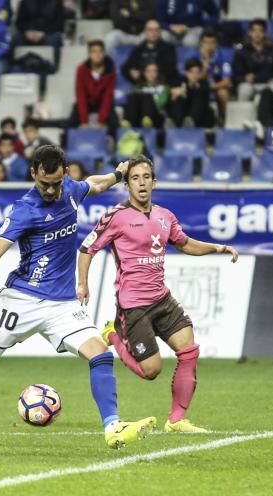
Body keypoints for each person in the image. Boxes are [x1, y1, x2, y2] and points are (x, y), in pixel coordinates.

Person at [0, 146, 156, 449]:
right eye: (44, 183)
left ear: (65, 174)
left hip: (62, 304)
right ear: (33, 173)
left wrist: (116, 175)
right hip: (22, 299)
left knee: (100, 354)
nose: (50, 190)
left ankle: (113, 427)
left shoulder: (70, 190)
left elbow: (94, 184)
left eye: (56, 183)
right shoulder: (25, 209)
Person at [77, 155, 238, 433]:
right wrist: (83, 284)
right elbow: (86, 249)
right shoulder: (116, 217)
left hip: (162, 299)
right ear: (126, 185)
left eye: (146, 177)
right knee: (151, 371)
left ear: (154, 182)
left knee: (189, 351)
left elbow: (185, 244)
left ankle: (177, 420)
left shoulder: (165, 216)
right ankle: (113, 334)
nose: (141, 183)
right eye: (135, 178)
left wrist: (218, 248)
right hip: (133, 306)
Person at [71, 40, 119, 132]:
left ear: (104, 54)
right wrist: (84, 121)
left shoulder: (111, 71)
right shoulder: (81, 70)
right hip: (87, 103)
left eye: (100, 51)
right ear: (89, 54)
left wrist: (101, 120)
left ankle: (111, 144)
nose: (97, 54)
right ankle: (64, 145)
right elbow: (81, 95)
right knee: (70, 124)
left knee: (114, 123)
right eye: (94, 51)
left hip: (102, 103)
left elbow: (108, 97)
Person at [122, 19, 179, 85]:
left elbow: (169, 69)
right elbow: (126, 68)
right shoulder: (138, 50)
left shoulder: (168, 48)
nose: (153, 33)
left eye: (156, 30)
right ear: (145, 31)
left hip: (163, 85)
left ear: (160, 32)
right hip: (143, 87)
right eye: (150, 30)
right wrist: (132, 73)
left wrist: (144, 73)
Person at [233, 19, 273, 95]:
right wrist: (244, 78)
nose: (257, 34)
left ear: (265, 33)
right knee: (245, 89)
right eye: (254, 31)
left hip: (268, 84)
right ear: (249, 33)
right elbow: (236, 75)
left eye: (260, 31)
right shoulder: (241, 52)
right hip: (249, 85)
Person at [167, 57, 216, 128]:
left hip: (199, 117)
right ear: (186, 73)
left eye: (197, 72)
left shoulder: (204, 84)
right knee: (177, 99)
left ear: (200, 73)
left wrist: (185, 89)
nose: (194, 75)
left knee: (198, 98)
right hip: (181, 113)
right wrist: (175, 92)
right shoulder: (179, 81)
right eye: (192, 72)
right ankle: (173, 123)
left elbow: (205, 101)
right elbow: (171, 91)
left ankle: (190, 121)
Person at [195, 28, 232, 120]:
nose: (209, 46)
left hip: (216, 87)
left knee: (223, 93)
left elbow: (227, 81)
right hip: (199, 87)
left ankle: (223, 119)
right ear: (201, 43)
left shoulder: (223, 58)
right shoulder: (194, 57)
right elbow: (194, 79)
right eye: (206, 42)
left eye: (212, 42)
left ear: (216, 44)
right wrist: (206, 62)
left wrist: (212, 86)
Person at [124, 61, 169, 128]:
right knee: (132, 97)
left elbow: (161, 102)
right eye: (148, 71)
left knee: (147, 97)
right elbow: (134, 103)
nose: (151, 73)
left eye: (154, 71)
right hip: (139, 115)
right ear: (144, 72)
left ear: (158, 73)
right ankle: (127, 121)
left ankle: (147, 119)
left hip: (156, 115)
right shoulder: (137, 87)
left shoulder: (164, 87)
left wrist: (148, 102)